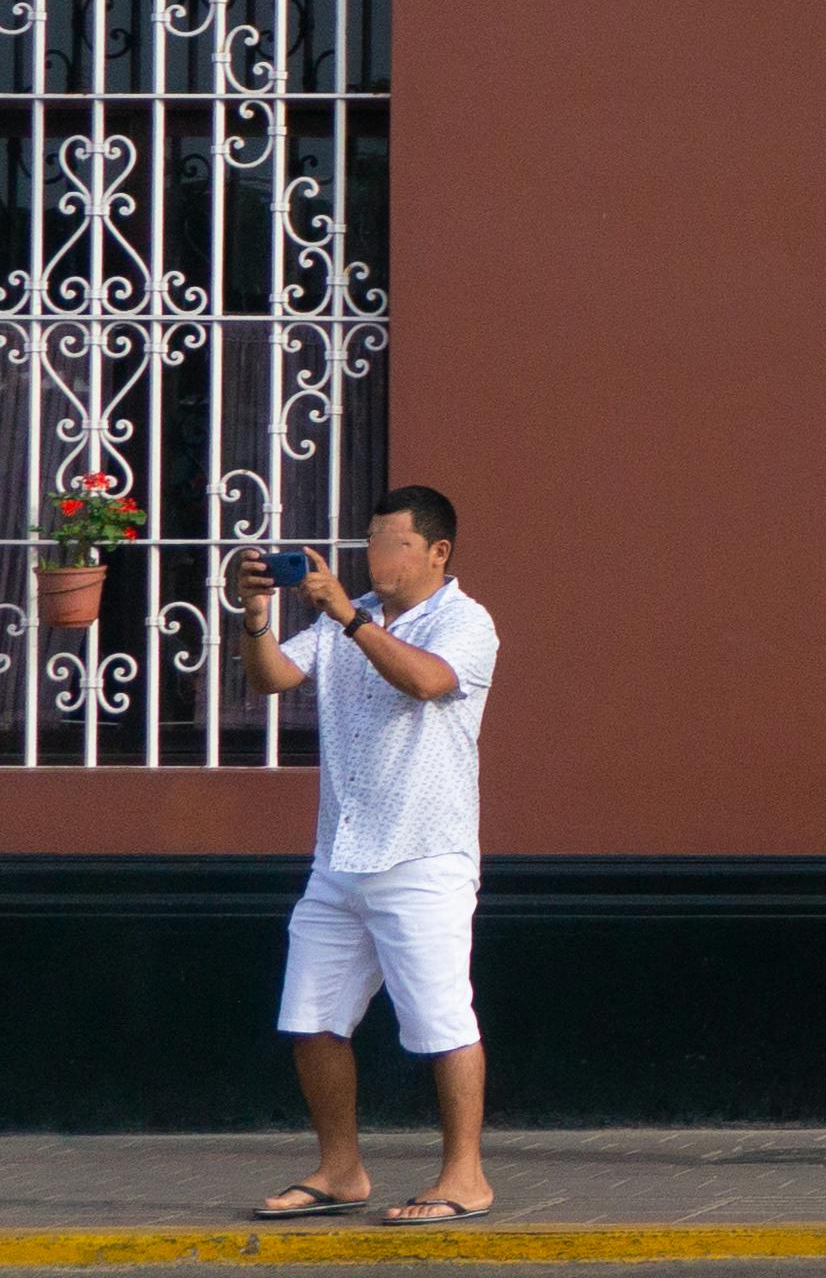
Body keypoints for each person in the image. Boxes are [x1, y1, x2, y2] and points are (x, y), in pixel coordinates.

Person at [226, 485, 497, 1229]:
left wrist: (347, 617)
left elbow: (426, 681)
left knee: (442, 1021)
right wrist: (255, 618)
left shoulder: (467, 623)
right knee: (310, 1018)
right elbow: (273, 676)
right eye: (370, 539)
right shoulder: (358, 620)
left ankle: (465, 1178)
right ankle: (341, 1170)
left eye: (391, 542)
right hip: (341, 855)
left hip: (424, 853)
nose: (373, 554)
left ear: (437, 553)